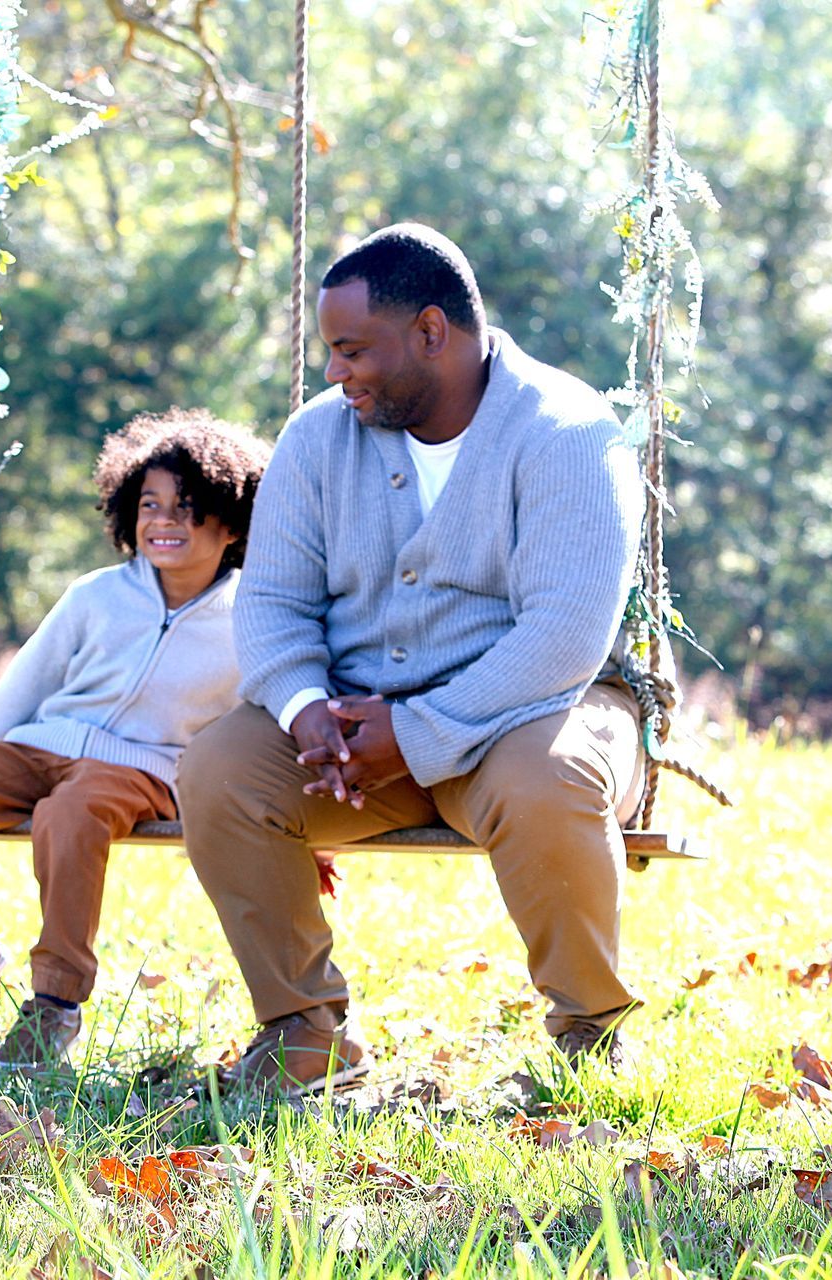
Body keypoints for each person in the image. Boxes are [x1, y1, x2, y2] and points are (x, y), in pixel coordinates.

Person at [178, 223, 648, 1094]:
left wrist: (419, 731)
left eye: (352, 349)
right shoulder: (317, 439)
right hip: (359, 727)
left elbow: (564, 638)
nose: (333, 372)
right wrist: (305, 711)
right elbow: (274, 603)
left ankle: (592, 1038)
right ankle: (303, 1033)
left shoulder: (568, 433)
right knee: (218, 771)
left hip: (543, 710)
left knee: (543, 781)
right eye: (329, 351)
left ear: (432, 333)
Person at [0, 409, 271, 1071]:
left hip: (147, 768)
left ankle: (55, 1001)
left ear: (232, 524)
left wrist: (284, 813)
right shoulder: (96, 596)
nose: (163, 521)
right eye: (150, 504)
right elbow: (28, 681)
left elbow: (264, 722)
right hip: (45, 745)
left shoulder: (252, 618)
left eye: (187, 508)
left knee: (70, 813)